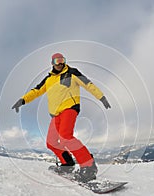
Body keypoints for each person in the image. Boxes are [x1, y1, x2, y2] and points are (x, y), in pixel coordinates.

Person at [12, 53, 111, 182]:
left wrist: (101, 97)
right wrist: (22, 100)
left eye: (62, 60)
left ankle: (89, 166)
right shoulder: (48, 79)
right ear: (52, 63)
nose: (59, 63)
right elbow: (36, 91)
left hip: (69, 108)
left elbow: (88, 84)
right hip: (56, 114)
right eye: (56, 61)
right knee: (51, 142)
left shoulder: (71, 72)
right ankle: (67, 163)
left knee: (65, 137)